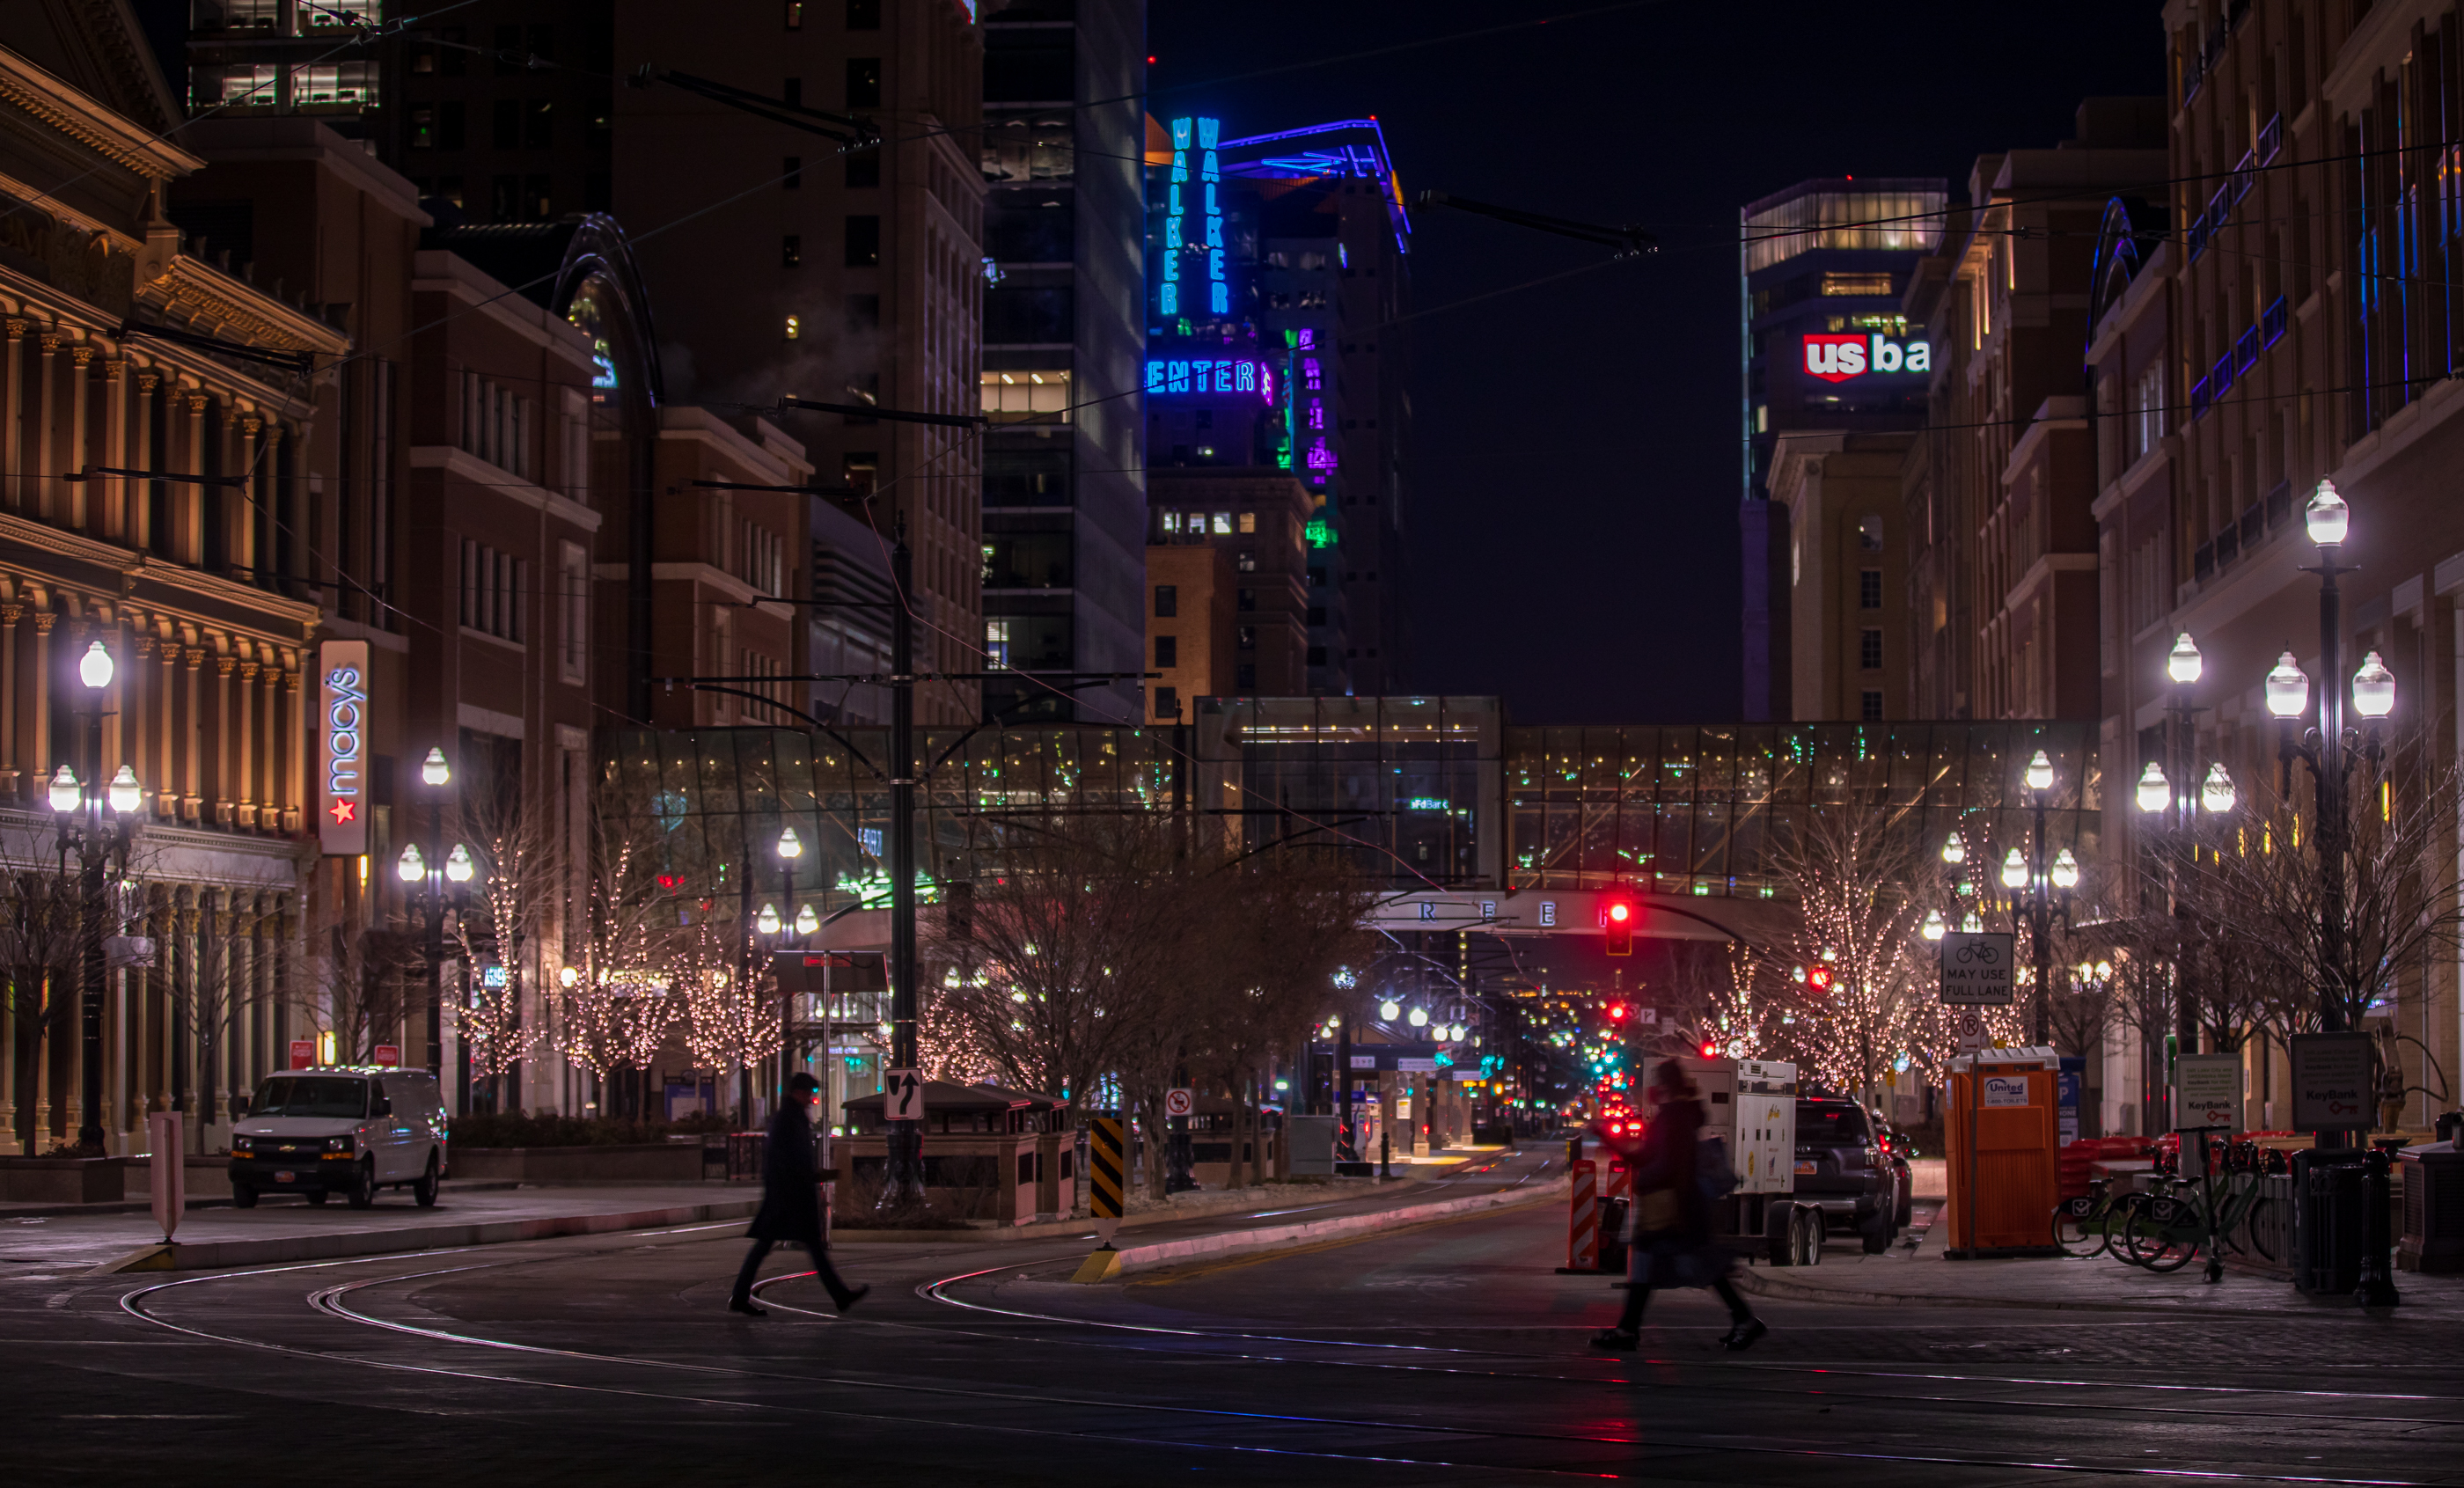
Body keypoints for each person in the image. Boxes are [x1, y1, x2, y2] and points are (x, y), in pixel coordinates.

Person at [1588, 1059, 1764, 1353]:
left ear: (1666, 1086)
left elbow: (1651, 1159)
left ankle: (1629, 1330)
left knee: (1678, 1265)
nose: (1653, 1089)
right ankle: (1629, 1329)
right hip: (1682, 1204)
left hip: (1673, 1206)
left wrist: (1609, 1138)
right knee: (1683, 1265)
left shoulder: (1671, 1118)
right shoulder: (1682, 1115)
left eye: (1658, 1082)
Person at [729, 1072, 869, 1316]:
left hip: (788, 1194)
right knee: (784, 1245)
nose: (810, 1099)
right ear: (799, 1092)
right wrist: (812, 1176)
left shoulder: (790, 1117)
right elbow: (788, 1159)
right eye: (809, 1093)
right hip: (789, 1196)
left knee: (785, 1245)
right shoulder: (789, 1118)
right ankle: (839, 1295)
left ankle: (839, 1294)